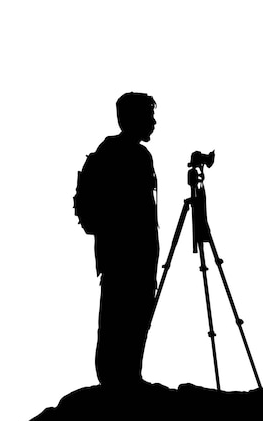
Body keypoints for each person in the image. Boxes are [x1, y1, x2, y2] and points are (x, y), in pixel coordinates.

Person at [89, 92, 159, 386]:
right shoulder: (126, 155)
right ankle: (122, 379)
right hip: (127, 256)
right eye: (149, 116)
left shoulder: (120, 153)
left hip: (124, 255)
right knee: (125, 316)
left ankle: (126, 376)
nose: (154, 122)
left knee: (125, 316)